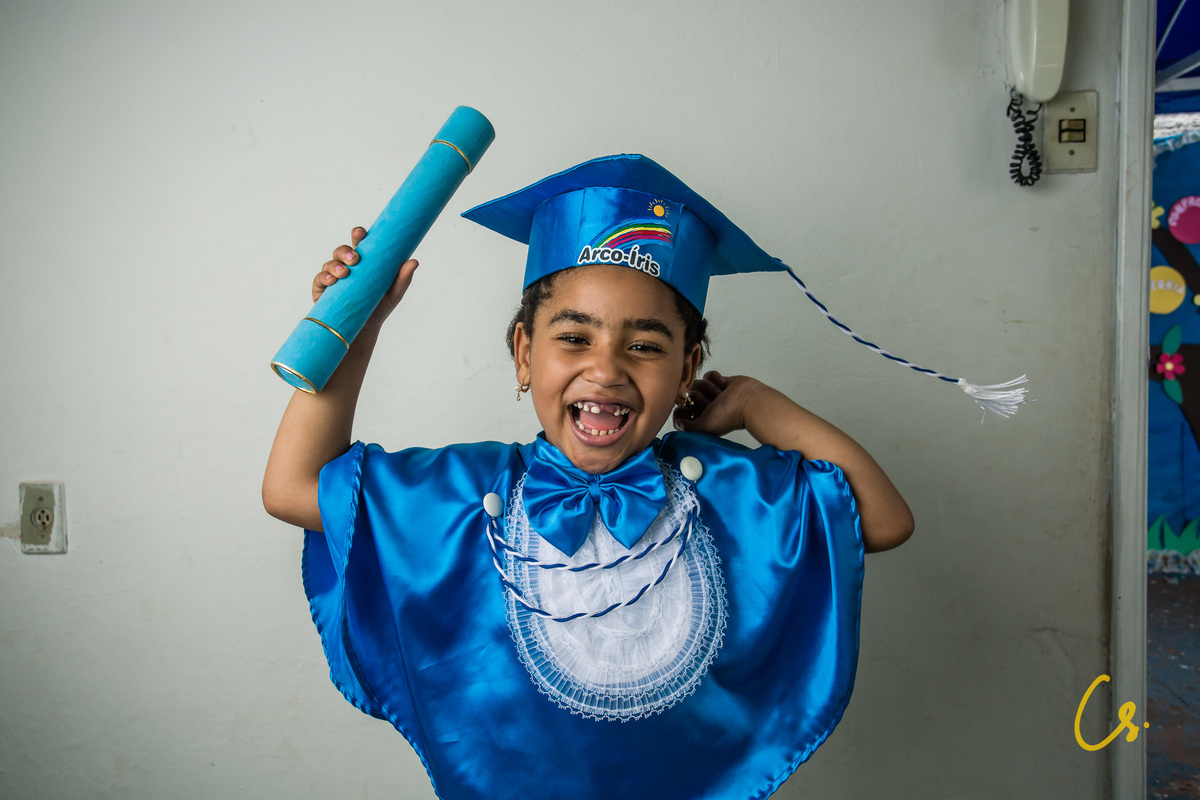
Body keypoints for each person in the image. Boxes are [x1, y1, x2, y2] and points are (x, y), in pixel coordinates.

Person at [263, 154, 914, 800]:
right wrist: (355, 324)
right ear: (525, 353)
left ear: (686, 372)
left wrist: (752, 402)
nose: (606, 369)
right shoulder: (470, 495)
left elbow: (883, 518)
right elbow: (294, 486)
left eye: (645, 346)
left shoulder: (721, 494)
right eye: (574, 338)